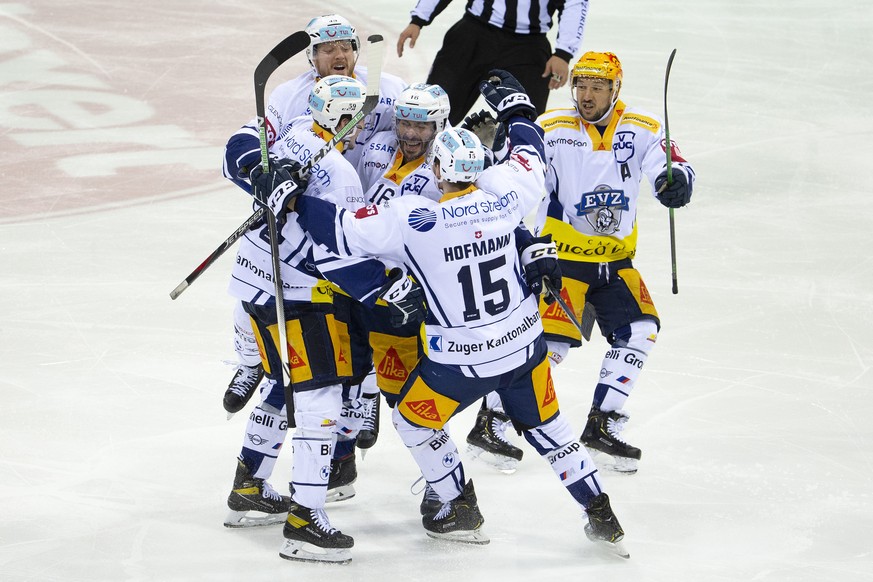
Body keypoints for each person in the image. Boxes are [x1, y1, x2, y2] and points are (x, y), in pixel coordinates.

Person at [288, 70, 628, 556]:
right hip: (525, 343)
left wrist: (294, 198)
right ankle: (602, 515)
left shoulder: (416, 218)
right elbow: (530, 154)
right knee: (552, 431)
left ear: (440, 168)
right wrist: (516, 112)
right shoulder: (503, 195)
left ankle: (457, 501)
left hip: (461, 359)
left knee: (411, 418)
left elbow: (339, 229)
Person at [224, 76, 394, 566]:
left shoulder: (297, 129)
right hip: (298, 295)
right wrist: (381, 289)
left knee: (281, 386)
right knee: (321, 403)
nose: (361, 127)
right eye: (355, 118)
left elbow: (243, 156)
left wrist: (262, 174)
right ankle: (305, 520)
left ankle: (249, 486)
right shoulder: (340, 173)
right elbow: (337, 255)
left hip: (254, 281)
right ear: (342, 119)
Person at [221, 13, 406, 416]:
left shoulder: (390, 90)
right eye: (327, 49)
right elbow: (252, 146)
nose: (339, 55)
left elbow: (419, 137)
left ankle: (367, 391)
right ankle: (250, 361)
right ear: (312, 56)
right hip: (302, 211)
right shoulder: (290, 96)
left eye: (345, 47)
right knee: (252, 295)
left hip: (366, 208)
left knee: (360, 315)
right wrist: (265, 179)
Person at [530, 51, 695, 473]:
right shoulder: (551, 128)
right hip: (563, 262)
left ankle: (602, 422)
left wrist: (673, 182)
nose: (586, 96)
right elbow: (521, 174)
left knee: (641, 330)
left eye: (597, 87)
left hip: (616, 262)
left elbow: (670, 161)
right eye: (580, 86)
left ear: (614, 89)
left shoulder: (641, 127)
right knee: (551, 348)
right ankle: (491, 419)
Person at [396, 0, 590, 125]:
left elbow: (574, 3)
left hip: (528, 47)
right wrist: (418, 19)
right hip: (473, 35)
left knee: (526, 122)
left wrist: (563, 54)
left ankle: (517, 180)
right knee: (434, 109)